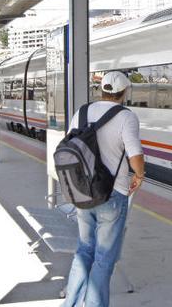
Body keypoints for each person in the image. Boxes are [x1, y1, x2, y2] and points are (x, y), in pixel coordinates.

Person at [62, 71, 145, 307]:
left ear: (102, 90)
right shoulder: (126, 117)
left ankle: (71, 303)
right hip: (112, 194)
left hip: (82, 193)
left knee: (83, 251)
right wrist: (139, 176)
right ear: (124, 92)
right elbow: (135, 156)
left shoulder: (82, 112)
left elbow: (68, 144)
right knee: (103, 259)